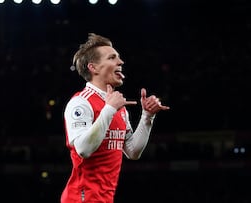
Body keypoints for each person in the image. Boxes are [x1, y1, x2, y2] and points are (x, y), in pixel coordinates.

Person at [61, 33, 170, 203]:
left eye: (118, 57)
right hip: (81, 199)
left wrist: (147, 117)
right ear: (93, 68)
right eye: (112, 58)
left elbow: (133, 151)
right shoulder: (81, 102)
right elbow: (83, 149)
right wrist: (109, 109)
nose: (120, 62)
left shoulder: (118, 107)